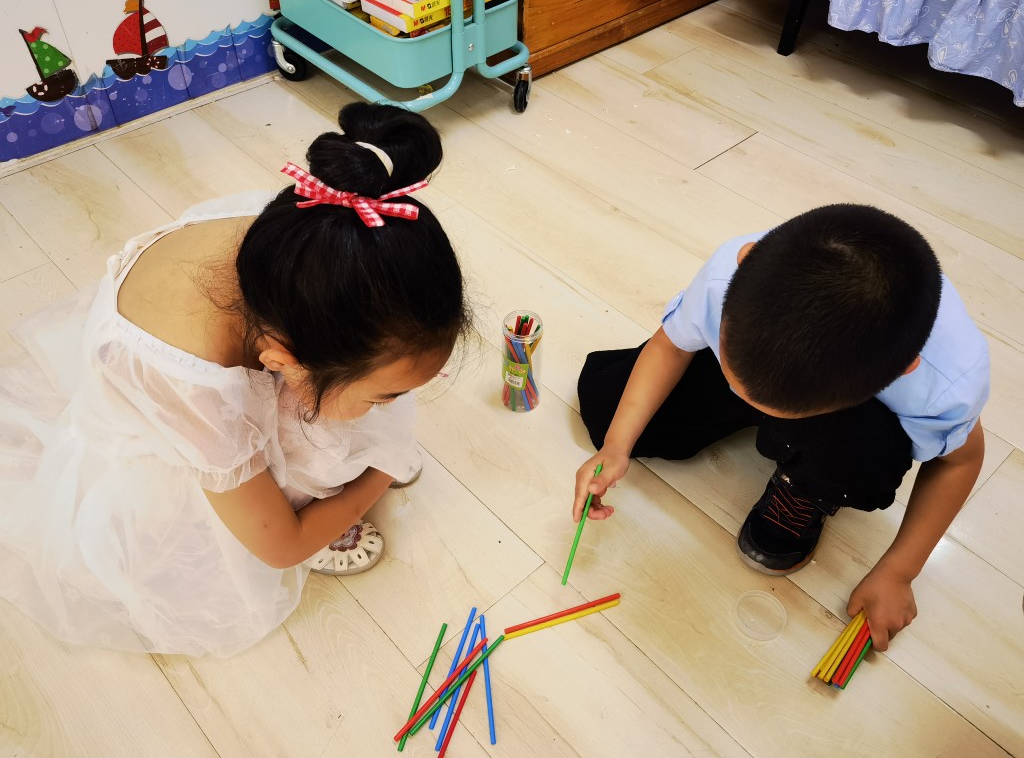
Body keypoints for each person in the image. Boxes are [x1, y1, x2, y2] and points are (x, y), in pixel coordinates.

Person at [0, 102, 471, 657]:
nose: (398, 408)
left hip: (235, 342)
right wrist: (378, 470)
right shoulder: (197, 392)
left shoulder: (312, 238)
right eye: (388, 396)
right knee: (316, 448)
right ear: (282, 360)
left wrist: (374, 414)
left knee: (343, 407)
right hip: (168, 402)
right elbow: (280, 546)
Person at [573, 204, 988, 651]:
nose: (750, 404)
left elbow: (959, 462)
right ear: (746, 258)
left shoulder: (947, 383)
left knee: (858, 449)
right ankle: (758, 386)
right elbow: (671, 348)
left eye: (774, 409)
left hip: (851, 418)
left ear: (901, 372)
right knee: (608, 409)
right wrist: (616, 445)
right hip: (783, 364)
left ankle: (804, 486)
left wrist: (899, 572)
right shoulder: (729, 273)